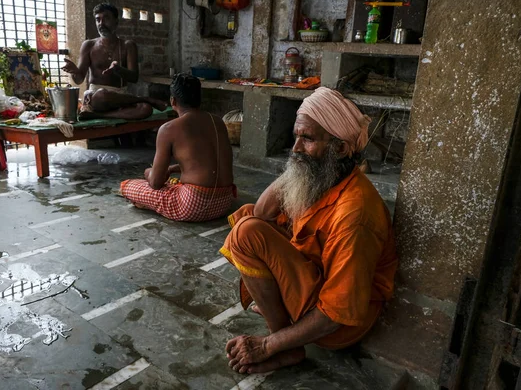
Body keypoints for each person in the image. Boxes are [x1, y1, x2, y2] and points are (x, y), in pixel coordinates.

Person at [220, 87, 398, 374]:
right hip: (314, 283)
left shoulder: (355, 213)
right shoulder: (326, 177)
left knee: (246, 234)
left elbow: (335, 315)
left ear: (339, 148)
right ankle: (285, 323)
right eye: (296, 137)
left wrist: (267, 345)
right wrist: (297, 167)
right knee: (250, 222)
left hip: (336, 326)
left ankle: (286, 345)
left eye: (307, 139)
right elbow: (263, 212)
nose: (295, 149)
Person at [120, 73, 236, 222]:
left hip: (194, 207)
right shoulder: (217, 121)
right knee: (172, 182)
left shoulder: (168, 128)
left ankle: (147, 198)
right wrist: (172, 169)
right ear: (199, 100)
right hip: (224, 202)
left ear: (173, 101)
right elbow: (204, 162)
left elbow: (156, 183)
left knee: (129, 186)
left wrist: (149, 173)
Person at [61, 3, 168, 120]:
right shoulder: (89, 45)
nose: (101, 23)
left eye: (106, 18)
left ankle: (97, 116)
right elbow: (78, 80)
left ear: (116, 22)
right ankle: (144, 98)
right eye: (98, 20)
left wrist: (118, 70)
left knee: (146, 109)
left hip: (121, 98)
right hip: (97, 98)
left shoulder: (128, 45)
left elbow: (134, 78)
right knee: (102, 95)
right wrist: (74, 71)